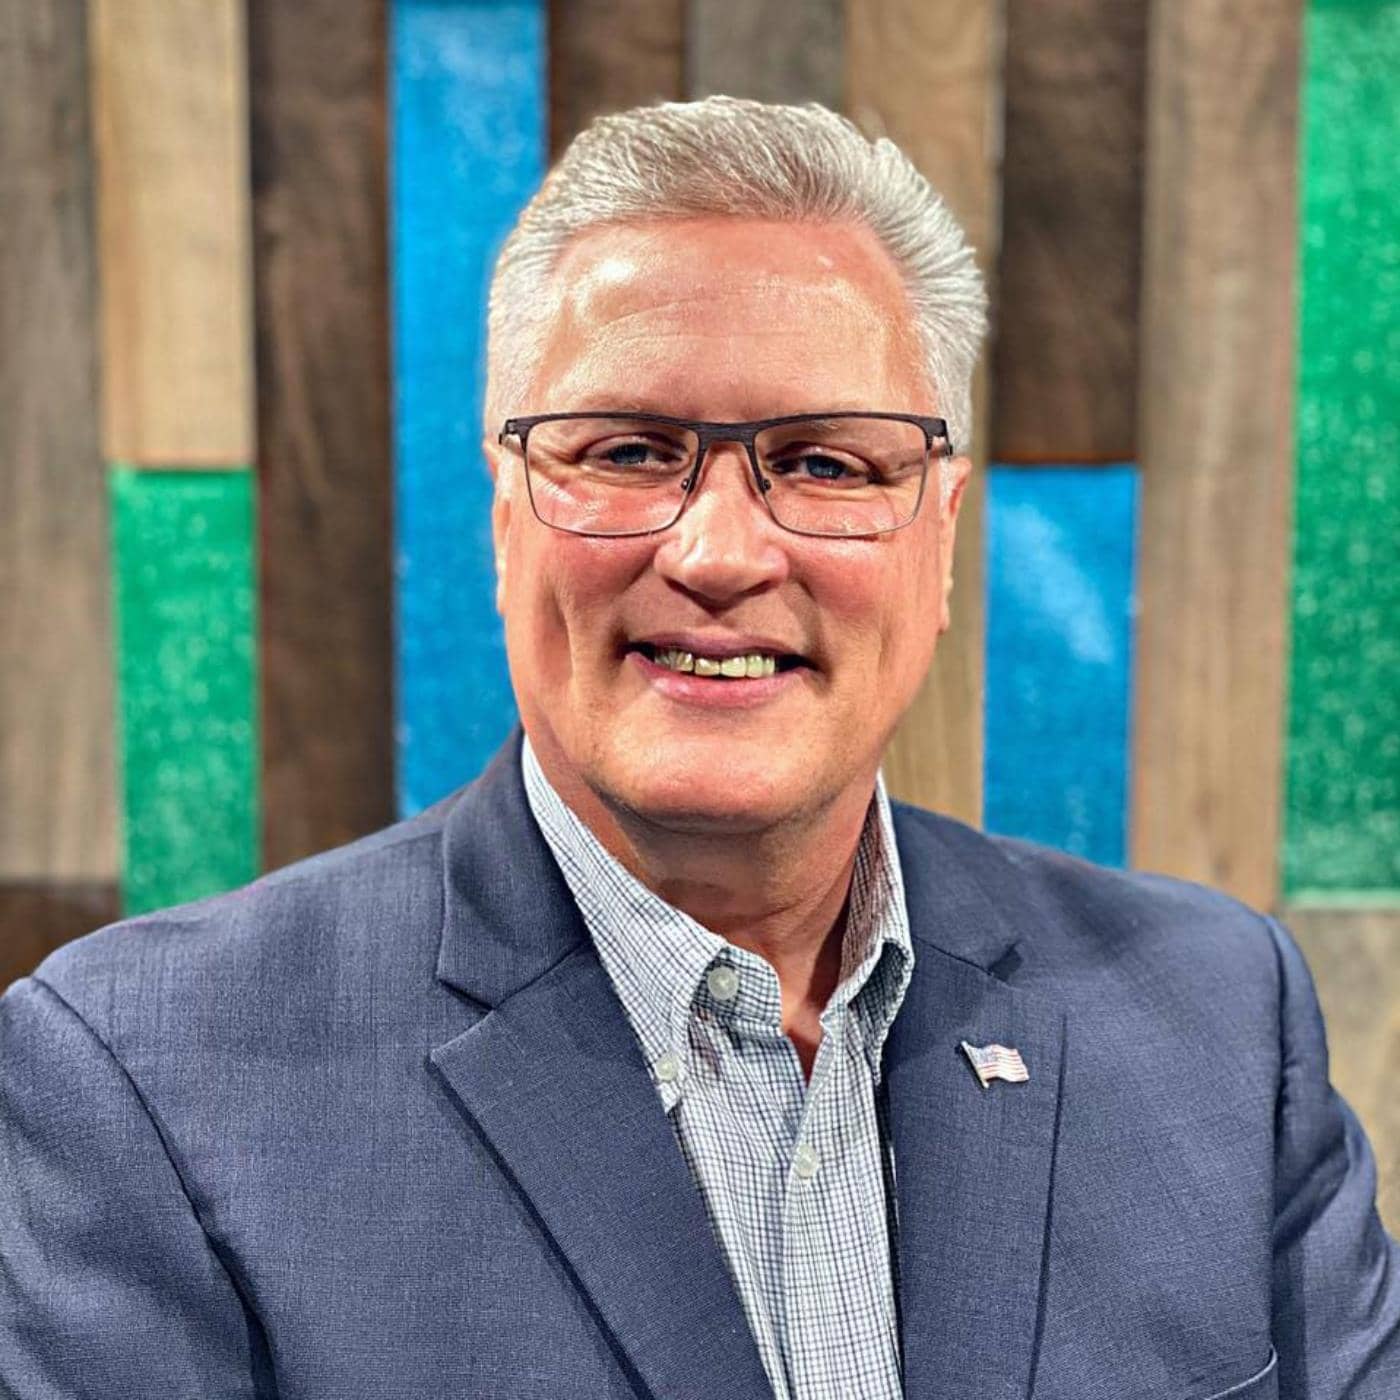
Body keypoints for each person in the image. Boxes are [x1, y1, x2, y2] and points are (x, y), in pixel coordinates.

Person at [1, 96, 1396, 1400]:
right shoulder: (144, 1084)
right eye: (626, 451)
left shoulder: (1222, 1021)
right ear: (505, 518)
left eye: (827, 463)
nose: (721, 553)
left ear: (942, 534)